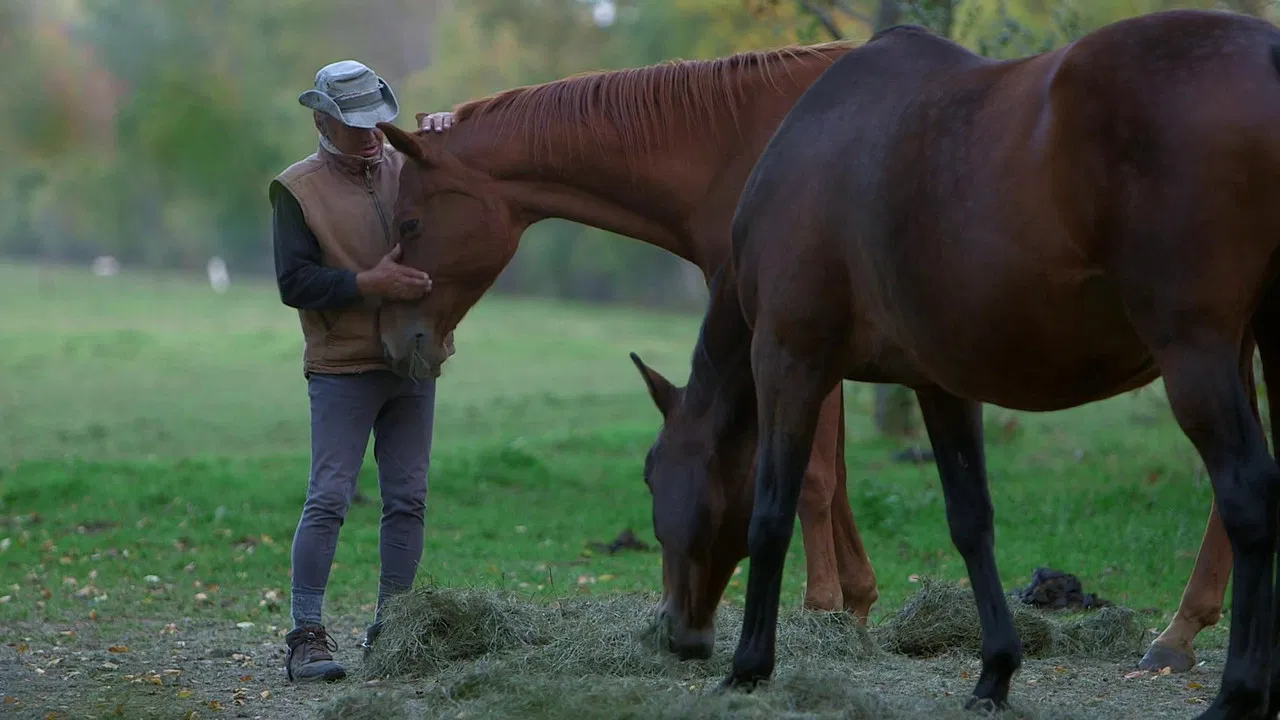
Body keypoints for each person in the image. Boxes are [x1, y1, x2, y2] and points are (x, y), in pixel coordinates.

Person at [268, 59, 454, 683]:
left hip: (415, 360)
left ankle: (392, 633)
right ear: (322, 122)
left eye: (378, 121)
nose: (372, 134)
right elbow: (294, 283)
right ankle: (305, 639)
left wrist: (452, 133)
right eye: (356, 125)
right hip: (342, 365)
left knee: (408, 499)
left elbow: (471, 183)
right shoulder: (296, 189)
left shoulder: (410, 166)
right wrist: (368, 283)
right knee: (328, 498)